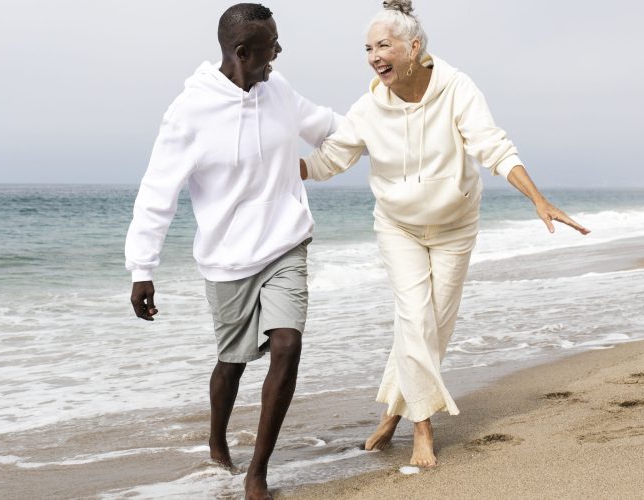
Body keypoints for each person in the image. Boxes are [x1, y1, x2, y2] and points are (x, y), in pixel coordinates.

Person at [300, 0, 589, 468]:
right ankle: (422, 430)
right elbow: (330, 159)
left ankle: (391, 414)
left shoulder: (456, 88)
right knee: (415, 318)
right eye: (368, 48)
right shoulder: (368, 106)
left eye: (384, 45)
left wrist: (537, 198)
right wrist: (277, 169)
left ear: (413, 48)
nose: (374, 56)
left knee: (432, 329)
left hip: (455, 226)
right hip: (398, 225)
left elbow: (491, 145)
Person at [125, 3, 339, 498]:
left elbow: (327, 124)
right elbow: (157, 192)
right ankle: (218, 439)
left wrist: (392, 128)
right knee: (233, 362)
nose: (279, 53)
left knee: (287, 343)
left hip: (285, 242)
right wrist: (142, 268)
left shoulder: (278, 90)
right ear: (242, 52)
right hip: (227, 259)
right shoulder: (190, 112)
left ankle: (258, 471)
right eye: (271, 45)